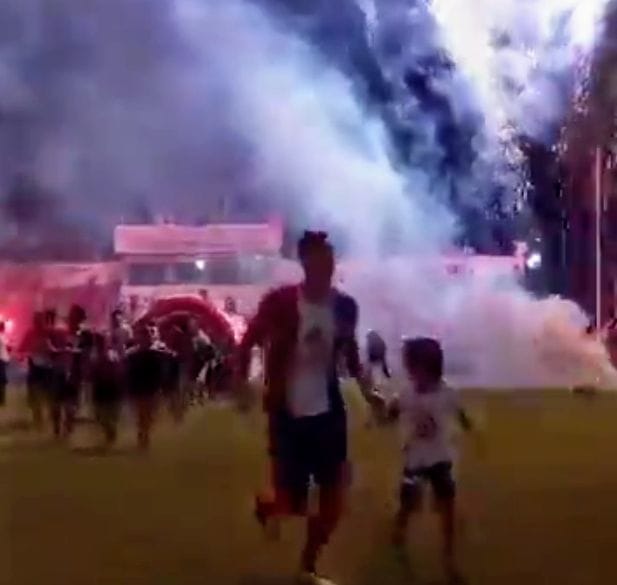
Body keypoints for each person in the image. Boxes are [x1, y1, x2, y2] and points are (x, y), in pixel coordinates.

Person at [235, 230, 378, 585]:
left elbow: (350, 355)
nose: (328, 264)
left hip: (328, 411)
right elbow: (248, 341)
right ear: (305, 262)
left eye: (331, 258)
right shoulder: (281, 301)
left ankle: (307, 567)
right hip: (287, 411)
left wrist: (369, 392)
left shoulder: (345, 307)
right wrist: (241, 381)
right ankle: (268, 506)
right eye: (320, 258)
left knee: (334, 499)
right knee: (292, 502)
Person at [390, 337, 473, 582]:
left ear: (430, 367)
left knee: (447, 507)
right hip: (414, 461)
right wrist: (384, 409)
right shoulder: (406, 394)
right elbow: (391, 411)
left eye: (413, 368)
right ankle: (399, 529)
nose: (411, 374)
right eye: (409, 368)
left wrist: (467, 425)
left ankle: (448, 556)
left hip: (440, 460)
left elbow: (461, 414)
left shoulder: (448, 394)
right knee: (408, 502)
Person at [125, 323, 163, 451]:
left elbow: (158, 373)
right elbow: (129, 373)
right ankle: (142, 435)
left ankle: (144, 434)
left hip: (149, 388)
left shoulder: (155, 354)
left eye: (145, 336)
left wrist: (158, 387)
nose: (143, 339)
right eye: (141, 336)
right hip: (139, 388)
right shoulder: (132, 355)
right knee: (141, 414)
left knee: (147, 415)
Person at [91, 332, 123, 447]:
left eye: (100, 341)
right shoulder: (94, 355)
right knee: (99, 415)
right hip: (99, 386)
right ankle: (110, 430)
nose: (99, 344)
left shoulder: (111, 354)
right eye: (97, 342)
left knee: (109, 412)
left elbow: (117, 369)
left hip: (110, 385)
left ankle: (111, 431)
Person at [0, 321, 9, 406]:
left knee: (2, 380)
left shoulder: (3, 336)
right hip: (2, 359)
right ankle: (2, 399)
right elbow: (8, 346)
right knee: (2, 380)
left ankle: (2, 399)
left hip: (2, 359)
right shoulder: (2, 336)